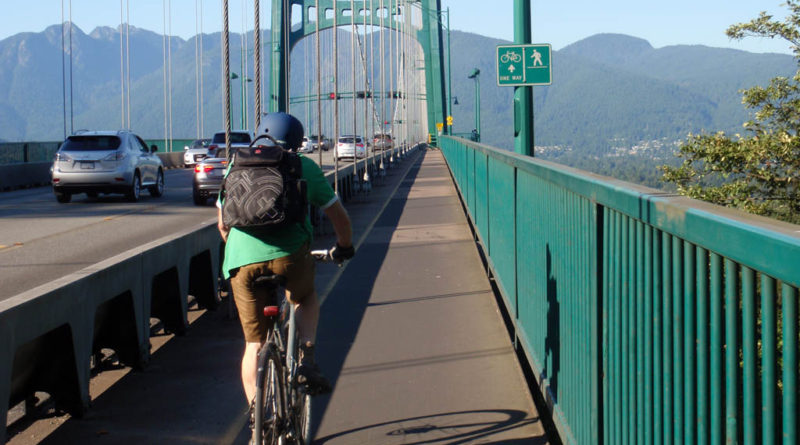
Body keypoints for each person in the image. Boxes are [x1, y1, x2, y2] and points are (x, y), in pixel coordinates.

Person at [216, 112, 355, 409]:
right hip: (290, 257)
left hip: (241, 263)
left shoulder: (236, 165)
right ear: (296, 140)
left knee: (253, 344)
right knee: (304, 297)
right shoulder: (303, 165)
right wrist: (344, 246)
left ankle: (257, 418)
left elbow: (222, 224)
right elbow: (338, 216)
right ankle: (306, 359)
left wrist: (242, 252)